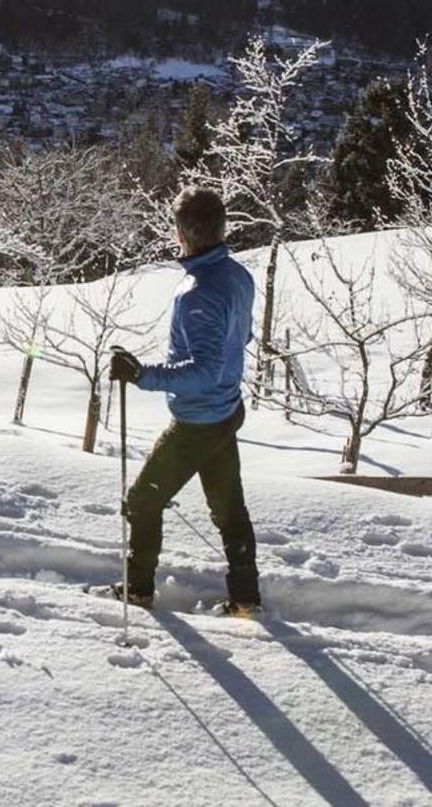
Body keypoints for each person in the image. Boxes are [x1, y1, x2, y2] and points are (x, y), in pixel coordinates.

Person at [108, 185, 262, 617]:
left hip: (197, 421)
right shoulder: (238, 276)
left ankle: (137, 591)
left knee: (142, 501)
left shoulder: (197, 292)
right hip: (227, 410)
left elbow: (204, 369)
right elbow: (242, 337)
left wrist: (142, 375)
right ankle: (246, 598)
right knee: (229, 508)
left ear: (182, 231)